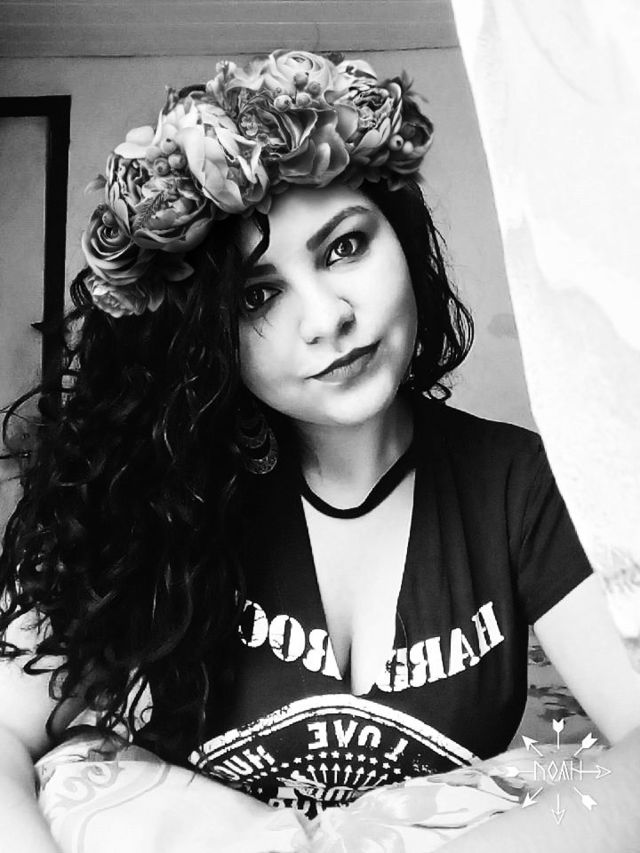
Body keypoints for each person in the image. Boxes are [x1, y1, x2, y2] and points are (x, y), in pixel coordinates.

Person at [0, 50, 638, 851]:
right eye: (259, 294)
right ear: (208, 334)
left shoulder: (517, 484)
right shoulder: (156, 494)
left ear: (403, 239)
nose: (327, 316)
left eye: (344, 247)